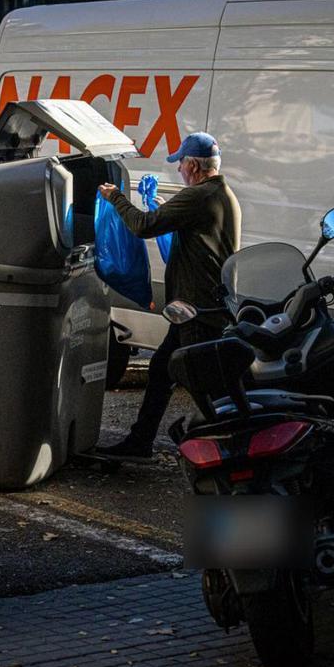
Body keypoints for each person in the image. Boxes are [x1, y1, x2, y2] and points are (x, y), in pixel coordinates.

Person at [95, 131, 241, 459]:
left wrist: (116, 197)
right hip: (194, 308)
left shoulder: (201, 195)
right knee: (162, 371)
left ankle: (233, 449)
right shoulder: (220, 193)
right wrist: (162, 208)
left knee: (207, 384)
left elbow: (144, 226)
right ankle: (140, 442)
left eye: (181, 164)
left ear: (193, 165)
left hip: (198, 310)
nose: (178, 171)